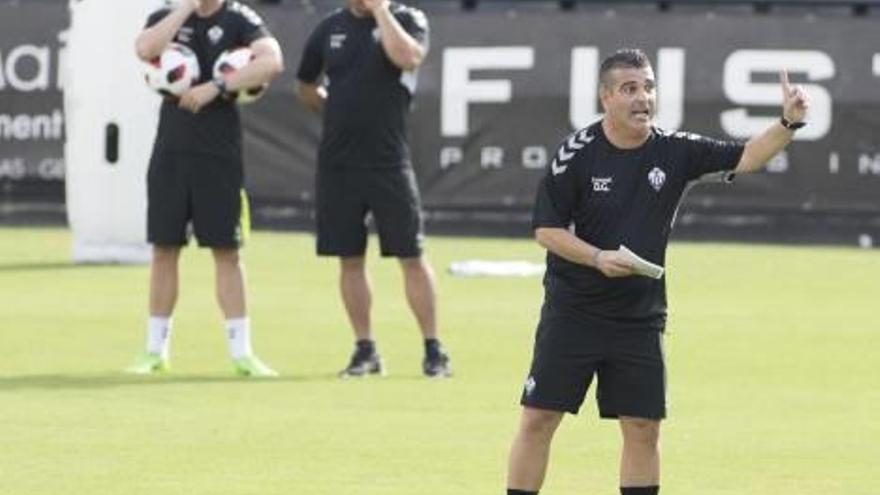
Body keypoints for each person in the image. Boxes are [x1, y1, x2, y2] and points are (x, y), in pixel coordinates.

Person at [505, 48, 810, 495]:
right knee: (539, 418)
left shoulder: (675, 150)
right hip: (574, 311)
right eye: (630, 88)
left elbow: (747, 157)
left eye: (648, 87)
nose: (643, 97)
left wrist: (789, 123)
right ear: (606, 97)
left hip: (639, 317)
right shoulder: (576, 154)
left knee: (644, 427)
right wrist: (596, 257)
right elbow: (546, 231)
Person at [125, 0, 284, 377]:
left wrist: (218, 85)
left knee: (227, 252)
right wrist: (184, 11)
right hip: (171, 152)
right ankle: (154, 351)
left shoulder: (239, 19)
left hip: (219, 154)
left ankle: (242, 353)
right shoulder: (167, 15)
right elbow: (145, 49)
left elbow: (272, 61)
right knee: (164, 249)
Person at [295, 0, 451, 378]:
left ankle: (433, 349)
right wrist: (331, 110)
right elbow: (305, 83)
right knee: (349, 258)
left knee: (411, 255)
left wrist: (380, 11)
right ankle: (365, 349)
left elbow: (408, 58)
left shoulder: (406, 19)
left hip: (388, 161)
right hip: (338, 163)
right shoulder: (329, 27)